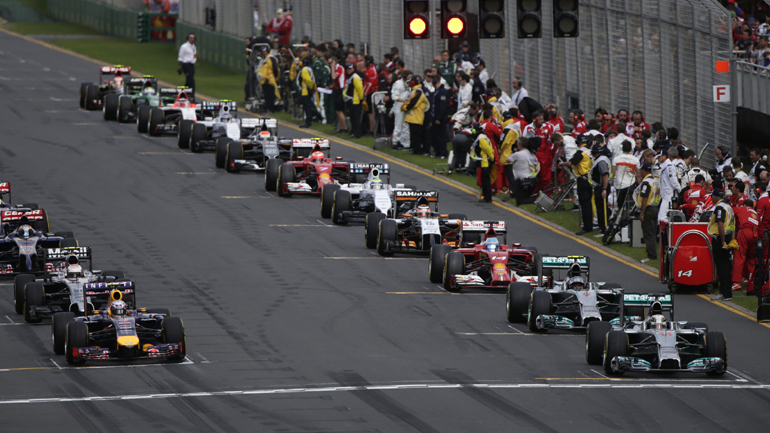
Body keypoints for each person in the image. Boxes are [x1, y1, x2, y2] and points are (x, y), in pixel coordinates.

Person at [560, 137, 594, 235]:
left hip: (582, 180)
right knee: (589, 203)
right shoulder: (589, 150)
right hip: (590, 179)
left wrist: (562, 163)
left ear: (577, 142)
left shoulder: (580, 152)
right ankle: (590, 225)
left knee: (584, 204)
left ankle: (587, 227)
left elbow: (571, 162)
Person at [709, 190, 736, 300]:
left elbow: (720, 224)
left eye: (712, 196)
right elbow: (733, 224)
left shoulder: (719, 207)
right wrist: (732, 240)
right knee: (726, 266)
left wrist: (723, 241)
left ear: (715, 197)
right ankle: (727, 292)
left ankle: (724, 293)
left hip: (720, 238)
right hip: (728, 237)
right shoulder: (728, 207)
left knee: (722, 266)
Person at [634, 161, 661, 263]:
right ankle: (653, 253)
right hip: (656, 208)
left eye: (641, 170)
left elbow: (644, 199)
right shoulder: (656, 181)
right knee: (653, 233)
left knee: (648, 234)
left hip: (648, 209)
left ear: (644, 171)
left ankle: (651, 255)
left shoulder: (646, 183)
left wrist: (642, 213)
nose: (640, 171)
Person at [732, 199, 759, 294]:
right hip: (755, 234)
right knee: (750, 258)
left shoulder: (741, 209)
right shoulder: (755, 213)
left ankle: (736, 282)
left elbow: (731, 211)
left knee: (739, 256)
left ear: (744, 205)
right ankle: (748, 279)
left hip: (744, 231)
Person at [505, 137, 541, 206]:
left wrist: (514, 151)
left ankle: (538, 200)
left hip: (522, 182)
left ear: (519, 144)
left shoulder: (518, 154)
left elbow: (507, 160)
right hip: (532, 180)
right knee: (524, 197)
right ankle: (536, 199)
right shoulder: (531, 154)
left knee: (520, 201)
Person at [611, 140, 639, 216]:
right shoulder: (635, 160)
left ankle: (619, 222)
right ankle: (628, 223)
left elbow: (613, 173)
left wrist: (611, 183)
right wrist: (639, 185)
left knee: (620, 206)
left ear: (622, 148)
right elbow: (638, 176)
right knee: (629, 206)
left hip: (619, 185)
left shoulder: (616, 159)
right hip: (630, 184)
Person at [401, 76, 428, 155]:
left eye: (410, 82)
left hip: (416, 116)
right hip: (413, 117)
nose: (409, 83)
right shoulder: (414, 91)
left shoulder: (418, 91)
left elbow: (414, 103)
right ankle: (414, 149)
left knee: (416, 135)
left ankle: (417, 150)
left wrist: (405, 107)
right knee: (413, 135)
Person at [470, 123, 495, 202]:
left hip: (485, 162)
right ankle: (486, 196)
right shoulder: (481, 136)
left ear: (476, 130)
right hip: (484, 161)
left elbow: (487, 149)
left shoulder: (481, 138)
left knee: (485, 181)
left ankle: (487, 198)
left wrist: (492, 158)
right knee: (484, 180)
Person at [590, 144, 611, 236]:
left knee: (602, 209)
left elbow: (605, 175)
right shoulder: (602, 159)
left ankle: (604, 229)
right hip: (600, 187)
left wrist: (604, 189)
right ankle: (603, 227)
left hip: (602, 187)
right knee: (600, 208)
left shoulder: (601, 161)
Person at [657, 148, 682, 223]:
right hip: (665, 195)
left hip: (669, 196)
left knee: (662, 218)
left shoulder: (669, 166)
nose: (658, 158)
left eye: (659, 156)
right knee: (665, 217)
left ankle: (668, 233)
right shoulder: (664, 166)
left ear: (664, 156)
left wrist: (680, 191)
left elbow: (674, 182)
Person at [391, 70, 412, 150]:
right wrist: (403, 100)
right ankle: (395, 142)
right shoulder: (398, 83)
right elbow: (394, 97)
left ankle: (403, 142)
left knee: (405, 125)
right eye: (409, 77)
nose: (410, 79)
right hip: (399, 106)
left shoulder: (408, 85)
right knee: (398, 124)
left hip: (406, 106)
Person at [258, 45, 280, 112]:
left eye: (264, 51)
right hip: (264, 80)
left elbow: (275, 69)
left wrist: (275, 77)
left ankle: (270, 108)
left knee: (270, 95)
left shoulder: (270, 58)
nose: (263, 53)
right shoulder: (264, 59)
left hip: (269, 79)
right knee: (266, 95)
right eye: (262, 52)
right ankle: (268, 107)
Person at [431, 76, 450, 158]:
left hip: (441, 118)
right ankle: (437, 152)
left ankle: (443, 153)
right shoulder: (437, 91)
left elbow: (442, 106)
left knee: (441, 135)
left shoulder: (443, 92)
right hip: (435, 116)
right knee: (435, 135)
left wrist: (438, 118)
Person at [330, 55, 348, 133]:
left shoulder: (339, 68)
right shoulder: (336, 68)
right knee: (337, 110)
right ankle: (341, 127)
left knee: (339, 110)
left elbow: (334, 77)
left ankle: (345, 128)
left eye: (331, 62)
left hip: (340, 90)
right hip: (336, 89)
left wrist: (332, 68)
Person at [297, 56, 316, 129]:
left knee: (307, 106)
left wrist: (311, 87)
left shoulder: (305, 70)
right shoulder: (309, 69)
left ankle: (308, 122)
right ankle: (309, 120)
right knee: (307, 106)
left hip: (305, 91)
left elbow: (308, 80)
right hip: (307, 90)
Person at [346, 63, 364, 139]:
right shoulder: (350, 77)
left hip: (355, 101)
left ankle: (357, 133)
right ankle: (353, 131)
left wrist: (361, 99)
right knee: (352, 118)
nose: (348, 70)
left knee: (356, 118)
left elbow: (360, 89)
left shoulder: (355, 77)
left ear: (353, 69)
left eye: (350, 69)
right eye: (348, 69)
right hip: (351, 100)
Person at [177, 33, 197, 100]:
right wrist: (180, 66)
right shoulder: (184, 46)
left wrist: (194, 60)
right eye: (190, 37)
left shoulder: (194, 47)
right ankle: (192, 97)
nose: (192, 39)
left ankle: (182, 95)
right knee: (191, 82)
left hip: (191, 65)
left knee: (188, 82)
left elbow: (195, 55)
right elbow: (180, 57)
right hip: (186, 65)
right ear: (188, 38)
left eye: (193, 38)